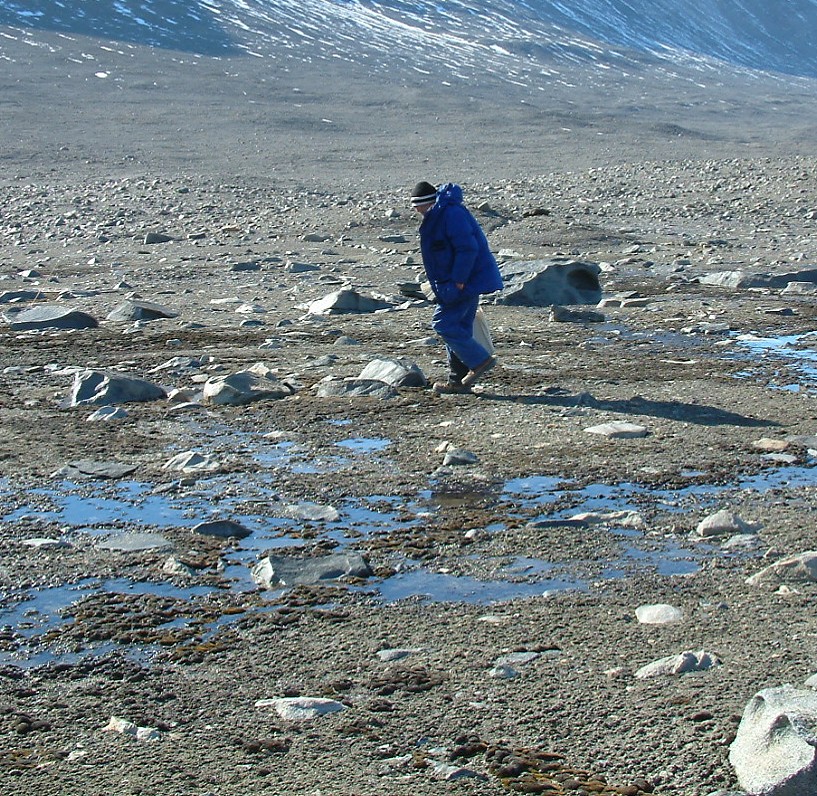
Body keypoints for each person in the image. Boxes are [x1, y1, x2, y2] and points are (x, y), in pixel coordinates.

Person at [411, 181, 503, 394]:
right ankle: (458, 382)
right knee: (459, 327)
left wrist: (459, 279)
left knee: (444, 324)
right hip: (456, 281)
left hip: (462, 282)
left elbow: (467, 248)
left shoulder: (450, 214)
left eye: (416, 205)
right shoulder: (441, 214)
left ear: (427, 203)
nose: (415, 210)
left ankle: (480, 361)